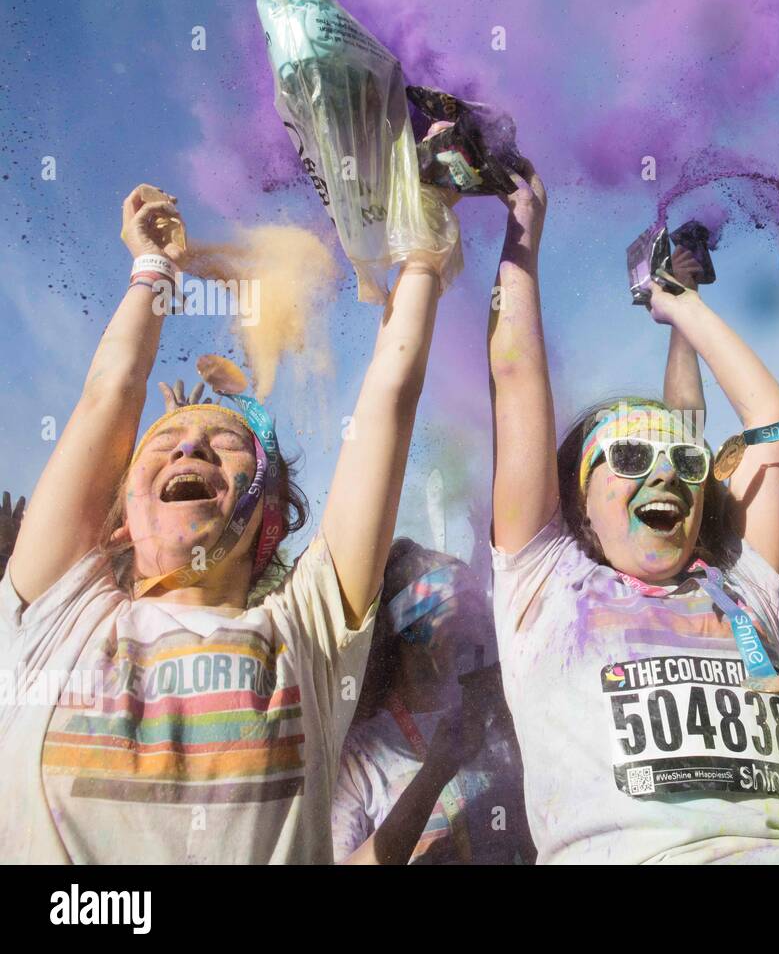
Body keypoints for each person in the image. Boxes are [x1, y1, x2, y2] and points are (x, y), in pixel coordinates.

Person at [0, 182, 459, 862]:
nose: (189, 446)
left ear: (267, 517)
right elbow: (108, 396)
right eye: (166, 440)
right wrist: (151, 270)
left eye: (225, 442)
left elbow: (389, 397)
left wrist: (421, 249)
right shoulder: (55, 617)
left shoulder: (307, 632)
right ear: (119, 518)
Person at [487, 157, 779, 863]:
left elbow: (774, 418)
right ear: (580, 502)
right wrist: (524, 227)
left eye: (685, 461)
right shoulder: (543, 583)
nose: (665, 472)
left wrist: (680, 304)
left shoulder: (744, 586)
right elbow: (517, 376)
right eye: (632, 459)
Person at [332, 538, 533, 864]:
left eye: (478, 615)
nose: (477, 632)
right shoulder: (360, 754)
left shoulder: (496, 724)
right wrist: (434, 773)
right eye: (459, 617)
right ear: (410, 632)